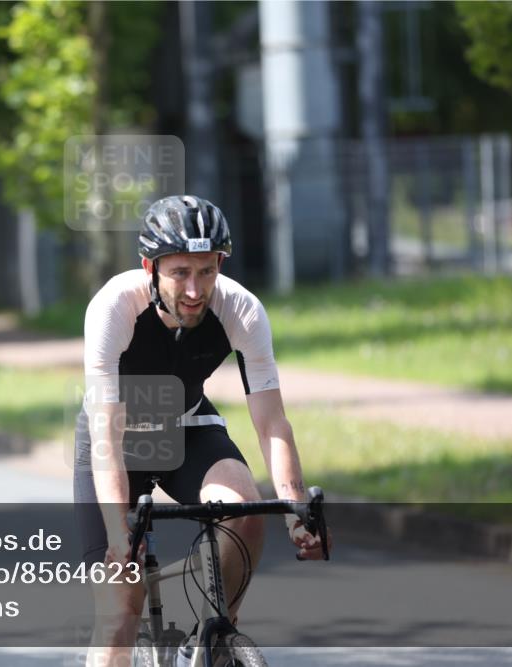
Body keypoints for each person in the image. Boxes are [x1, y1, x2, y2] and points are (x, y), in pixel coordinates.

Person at [74, 195, 330, 665]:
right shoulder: (114, 307)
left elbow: (272, 421)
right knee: (119, 612)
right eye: (180, 273)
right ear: (149, 267)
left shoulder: (242, 309)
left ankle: (216, 640)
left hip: (189, 422)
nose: (195, 290)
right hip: (119, 437)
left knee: (246, 511)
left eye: (207, 271)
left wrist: (295, 511)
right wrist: (119, 534)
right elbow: (106, 435)